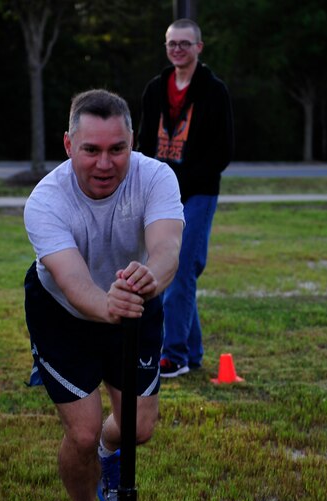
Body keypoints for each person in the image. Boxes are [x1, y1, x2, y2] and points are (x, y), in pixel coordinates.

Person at [24, 89, 183, 501]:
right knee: (83, 432)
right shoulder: (46, 200)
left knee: (139, 428)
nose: (105, 162)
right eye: (91, 149)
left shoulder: (156, 177)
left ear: (132, 143)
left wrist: (147, 279)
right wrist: (108, 304)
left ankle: (111, 455)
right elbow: (74, 283)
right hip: (63, 315)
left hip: (136, 301)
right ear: (69, 145)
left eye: (117, 149)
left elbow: (168, 248)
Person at [137, 18, 234, 378]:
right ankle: (191, 353)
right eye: (171, 43)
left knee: (180, 269)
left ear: (199, 48)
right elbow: (145, 143)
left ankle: (173, 355)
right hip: (161, 194)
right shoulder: (155, 88)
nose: (177, 49)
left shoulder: (214, 90)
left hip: (198, 193)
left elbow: (222, 151)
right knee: (171, 268)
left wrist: (183, 179)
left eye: (184, 43)